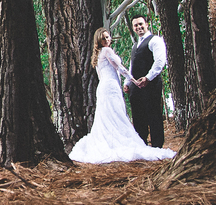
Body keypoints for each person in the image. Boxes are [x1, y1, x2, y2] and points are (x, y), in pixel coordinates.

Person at [69, 27, 175, 164]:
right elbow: (120, 68)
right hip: (110, 86)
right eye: (103, 38)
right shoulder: (107, 51)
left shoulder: (97, 54)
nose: (107, 40)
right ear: (98, 41)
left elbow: (101, 75)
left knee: (108, 115)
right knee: (116, 114)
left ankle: (111, 142)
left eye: (108, 37)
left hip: (103, 87)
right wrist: (132, 80)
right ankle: (118, 143)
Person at [126, 15, 167, 148]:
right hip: (136, 87)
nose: (139, 27)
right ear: (133, 28)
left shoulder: (155, 40)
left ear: (146, 24)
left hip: (151, 85)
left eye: (141, 24)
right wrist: (127, 83)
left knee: (153, 115)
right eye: (136, 25)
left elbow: (160, 62)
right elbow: (132, 66)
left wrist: (148, 78)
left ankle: (157, 146)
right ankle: (142, 146)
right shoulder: (135, 45)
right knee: (138, 118)